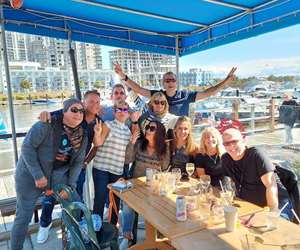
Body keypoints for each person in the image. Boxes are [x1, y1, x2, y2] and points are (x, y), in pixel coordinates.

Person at [11, 98, 91, 250]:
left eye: (81, 111)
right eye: (74, 110)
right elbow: (27, 148)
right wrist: (37, 175)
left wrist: (70, 186)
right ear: (64, 111)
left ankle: (77, 242)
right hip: (29, 176)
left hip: (57, 177)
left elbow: (77, 163)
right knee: (23, 218)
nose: (79, 114)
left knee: (75, 205)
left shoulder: (83, 136)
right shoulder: (45, 125)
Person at [38, 90, 102, 201]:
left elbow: (96, 146)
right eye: (91, 101)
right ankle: (46, 219)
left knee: (76, 193)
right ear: (83, 103)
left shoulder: (99, 122)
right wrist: (44, 113)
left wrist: (85, 162)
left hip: (77, 165)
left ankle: (77, 218)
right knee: (50, 197)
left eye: (97, 102)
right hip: (60, 165)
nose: (95, 104)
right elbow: (49, 116)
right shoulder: (74, 112)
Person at [114, 63, 237, 116]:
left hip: (180, 135)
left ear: (177, 82)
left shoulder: (186, 95)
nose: (170, 82)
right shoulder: (158, 95)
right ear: (163, 83)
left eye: (173, 80)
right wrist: (123, 76)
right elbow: (139, 89)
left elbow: (207, 93)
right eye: (167, 80)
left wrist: (225, 81)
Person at [221, 128, 291, 217]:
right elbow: (231, 183)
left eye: (234, 142)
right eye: (226, 143)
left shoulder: (256, 155)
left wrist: (272, 212)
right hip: (250, 204)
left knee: (272, 227)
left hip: (277, 203)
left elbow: (271, 186)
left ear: (244, 140)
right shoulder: (225, 159)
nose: (231, 146)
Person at [121, 120, 170, 245]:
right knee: (127, 204)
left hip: (153, 186)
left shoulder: (164, 149)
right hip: (136, 184)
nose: (148, 130)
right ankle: (129, 235)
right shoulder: (139, 144)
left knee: (161, 205)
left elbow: (165, 170)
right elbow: (127, 160)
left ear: (159, 132)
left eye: (152, 128)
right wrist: (132, 142)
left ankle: (158, 239)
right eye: (147, 127)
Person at [88, 100, 132, 225]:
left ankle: (113, 228)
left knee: (115, 201)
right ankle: (96, 230)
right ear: (114, 111)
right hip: (101, 168)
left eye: (125, 110)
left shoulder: (128, 132)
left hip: (117, 171)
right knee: (100, 199)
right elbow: (98, 143)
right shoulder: (108, 124)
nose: (122, 112)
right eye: (119, 109)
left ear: (128, 113)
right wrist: (97, 133)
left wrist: (133, 140)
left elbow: (127, 154)